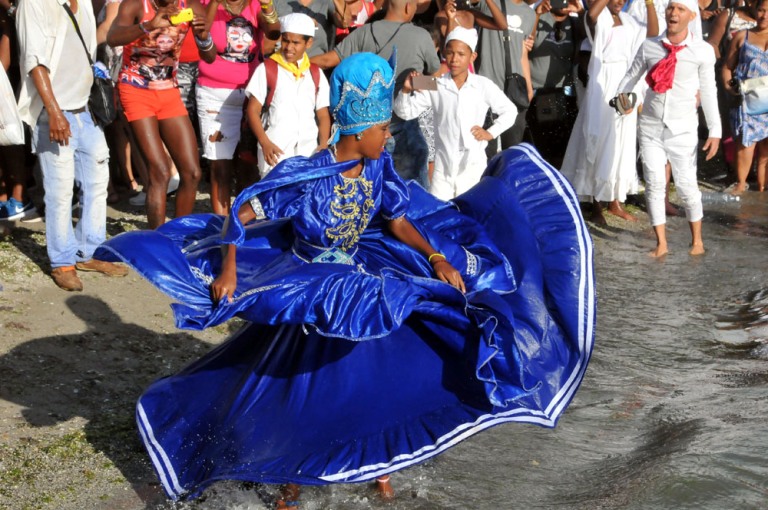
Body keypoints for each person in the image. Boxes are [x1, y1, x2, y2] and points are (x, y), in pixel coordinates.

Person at [96, 52, 594, 505]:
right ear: (357, 132)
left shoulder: (377, 168)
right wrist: (228, 268)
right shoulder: (306, 175)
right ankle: (294, 473)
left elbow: (397, 219)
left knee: (383, 358)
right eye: (383, 129)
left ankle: (374, 457)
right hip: (311, 288)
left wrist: (438, 258)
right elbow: (241, 212)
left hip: (359, 276)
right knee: (306, 386)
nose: (390, 138)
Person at [15, 0, 129, 290]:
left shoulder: (84, 4)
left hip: (83, 109)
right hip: (51, 111)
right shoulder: (34, 4)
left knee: (97, 181)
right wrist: (53, 112)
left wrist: (145, 27)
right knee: (60, 189)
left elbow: (96, 40)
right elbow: (34, 60)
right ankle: (62, 261)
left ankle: (88, 251)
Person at [615, 0, 721, 256]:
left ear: (691, 15)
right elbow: (629, 78)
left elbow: (708, 91)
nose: (673, 13)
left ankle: (697, 241)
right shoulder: (650, 45)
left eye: (680, 9)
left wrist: (715, 130)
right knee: (654, 184)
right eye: (671, 7)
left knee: (686, 186)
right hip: (650, 126)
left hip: (683, 128)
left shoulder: (702, 50)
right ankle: (661, 243)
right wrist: (622, 101)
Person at [311, 0, 441, 186]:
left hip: (367, 131)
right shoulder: (421, 36)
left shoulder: (364, 31)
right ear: (407, 7)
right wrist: (410, 84)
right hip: (406, 127)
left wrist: (287, 63)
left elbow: (326, 60)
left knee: (371, 187)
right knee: (412, 191)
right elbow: (434, 82)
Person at [107, 0, 212, 228]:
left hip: (168, 91)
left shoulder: (191, 7)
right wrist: (148, 26)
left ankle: (176, 235)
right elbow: (112, 37)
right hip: (135, 90)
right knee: (160, 172)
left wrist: (204, 36)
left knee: (192, 173)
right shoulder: (135, 5)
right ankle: (158, 240)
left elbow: (210, 57)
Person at [560, 0, 658, 224]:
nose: (618, 2)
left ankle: (615, 202)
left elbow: (653, 34)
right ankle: (596, 206)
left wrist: (650, 3)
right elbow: (592, 16)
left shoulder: (629, 21)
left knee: (621, 142)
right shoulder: (597, 17)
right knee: (599, 140)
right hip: (602, 86)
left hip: (626, 83)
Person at [393, 27, 517, 199]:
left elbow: (510, 111)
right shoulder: (434, 83)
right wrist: (406, 90)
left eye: (461, 54)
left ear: (472, 57)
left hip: (473, 167)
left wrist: (490, 133)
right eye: (450, 53)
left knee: (472, 211)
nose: (454, 59)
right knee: (441, 212)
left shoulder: (483, 85)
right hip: (443, 169)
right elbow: (404, 112)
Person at [195, 0, 280, 215]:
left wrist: (267, 6)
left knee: (248, 165)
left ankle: (240, 223)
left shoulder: (254, 5)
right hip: (214, 95)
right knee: (220, 167)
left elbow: (274, 33)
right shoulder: (204, 3)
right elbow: (204, 40)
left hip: (251, 95)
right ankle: (220, 228)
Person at [245, 12, 330, 178]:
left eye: (296, 43)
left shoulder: (315, 73)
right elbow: (252, 110)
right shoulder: (267, 69)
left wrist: (324, 143)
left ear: (309, 43)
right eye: (285, 40)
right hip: (275, 151)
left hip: (308, 150)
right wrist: (265, 143)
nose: (289, 47)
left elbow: (323, 114)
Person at [474, 0, 537, 151]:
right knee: (485, 149)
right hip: (485, 87)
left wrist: (528, 86)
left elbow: (522, 52)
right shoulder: (486, 3)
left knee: (513, 149)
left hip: (513, 91)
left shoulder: (530, 14)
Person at [721, 0, 768, 193]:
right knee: (746, 142)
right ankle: (741, 183)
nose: (764, 15)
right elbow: (727, 67)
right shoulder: (742, 36)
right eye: (761, 10)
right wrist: (729, 87)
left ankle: (762, 188)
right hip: (747, 100)